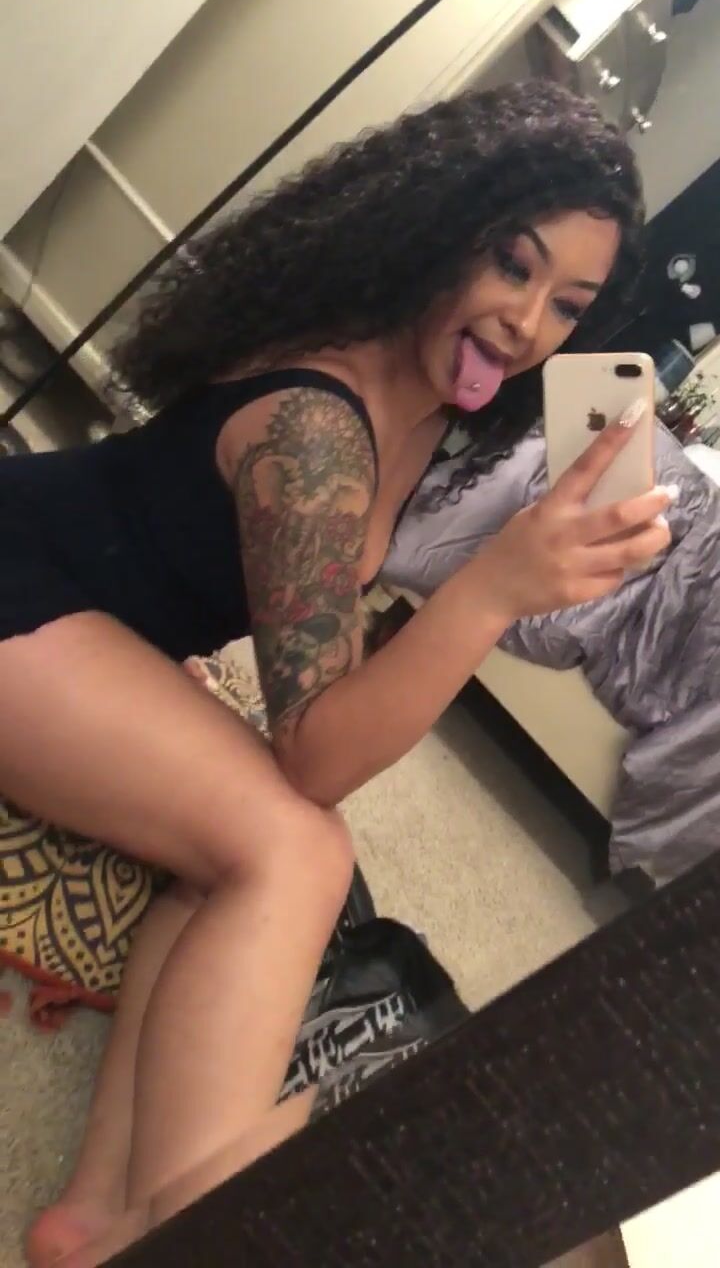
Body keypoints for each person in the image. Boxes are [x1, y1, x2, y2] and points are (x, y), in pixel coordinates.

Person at [1, 80, 672, 1267]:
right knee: (297, 848)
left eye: (568, 304)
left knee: (272, 851)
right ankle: (195, 1238)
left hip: (98, 620)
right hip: (22, 586)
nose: (526, 323)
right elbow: (317, 748)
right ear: (440, 224)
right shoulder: (318, 425)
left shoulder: (425, 409)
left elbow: (328, 709)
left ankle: (95, 1218)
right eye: (511, 263)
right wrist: (490, 591)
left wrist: (510, 578)